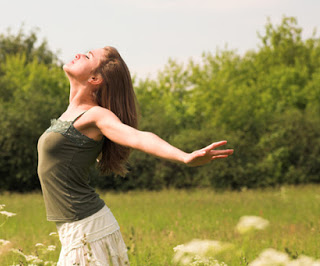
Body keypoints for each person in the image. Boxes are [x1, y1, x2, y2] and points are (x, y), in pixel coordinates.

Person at [37, 46, 234, 265]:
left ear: (95, 78)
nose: (78, 54)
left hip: (88, 229)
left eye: (87, 56)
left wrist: (184, 156)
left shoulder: (97, 116)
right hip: (77, 229)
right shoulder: (69, 114)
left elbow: (139, 137)